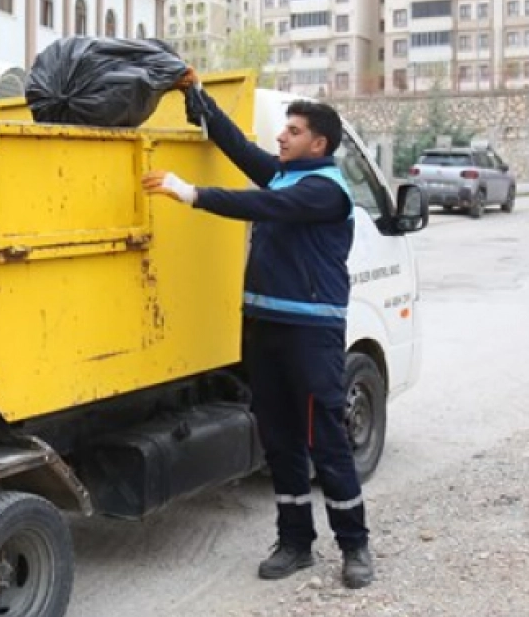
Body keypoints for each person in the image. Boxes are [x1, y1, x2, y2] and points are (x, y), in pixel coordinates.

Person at [142, 73, 374, 589]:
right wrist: (194, 95)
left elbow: (264, 206)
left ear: (318, 143)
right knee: (281, 439)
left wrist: (192, 193)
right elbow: (237, 147)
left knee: (326, 441)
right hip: (266, 327)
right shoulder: (286, 176)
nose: (281, 137)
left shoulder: (324, 192)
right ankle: (295, 542)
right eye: (284, 129)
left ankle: (354, 546)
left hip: (310, 335)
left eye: (292, 131)